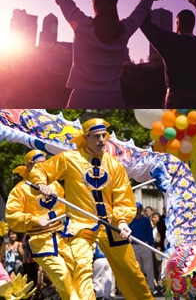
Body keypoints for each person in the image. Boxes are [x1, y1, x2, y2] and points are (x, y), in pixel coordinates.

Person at [28, 118, 155, 300]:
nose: (102, 140)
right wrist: (41, 183)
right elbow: (41, 170)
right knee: (82, 270)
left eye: (104, 136)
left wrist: (122, 222)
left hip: (112, 226)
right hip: (81, 226)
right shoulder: (69, 159)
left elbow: (123, 198)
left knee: (132, 272)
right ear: (86, 137)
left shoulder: (114, 165)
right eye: (96, 136)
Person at [53, 0, 152, 108]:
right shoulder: (124, 30)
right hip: (113, 98)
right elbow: (145, 4)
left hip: (81, 97)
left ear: (94, 2)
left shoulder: (82, 24)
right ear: (115, 2)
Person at [5, 149, 74, 300]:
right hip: (40, 241)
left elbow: (66, 207)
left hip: (62, 237)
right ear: (29, 167)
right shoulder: (20, 190)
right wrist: (35, 220)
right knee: (61, 275)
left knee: (77, 273)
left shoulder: (55, 185)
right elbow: (12, 216)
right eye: (39, 165)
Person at [140, 0, 196, 108]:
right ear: (193, 24)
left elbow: (145, 24)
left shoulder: (170, 40)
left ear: (177, 23)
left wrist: (149, 0)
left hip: (175, 97)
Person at [129, 202, 155, 294]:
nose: (137, 210)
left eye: (139, 208)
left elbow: (149, 232)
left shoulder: (145, 220)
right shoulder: (131, 220)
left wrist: (150, 245)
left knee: (148, 268)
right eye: (136, 208)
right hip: (134, 246)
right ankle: (140, 289)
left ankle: (151, 288)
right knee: (137, 268)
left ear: (141, 209)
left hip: (144, 245)